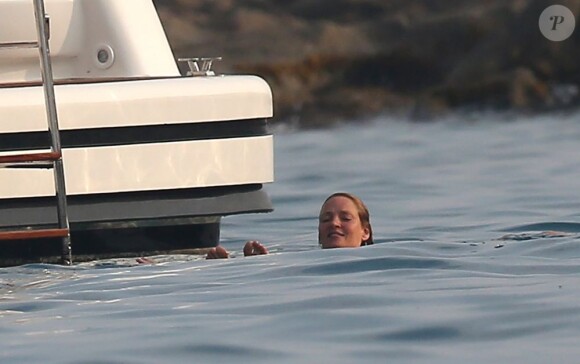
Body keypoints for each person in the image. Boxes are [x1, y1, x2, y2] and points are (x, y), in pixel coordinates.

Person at [206, 192, 373, 259]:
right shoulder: (304, 263)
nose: (335, 224)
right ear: (319, 234)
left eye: (345, 218)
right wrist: (256, 265)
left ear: (365, 232)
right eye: (326, 220)